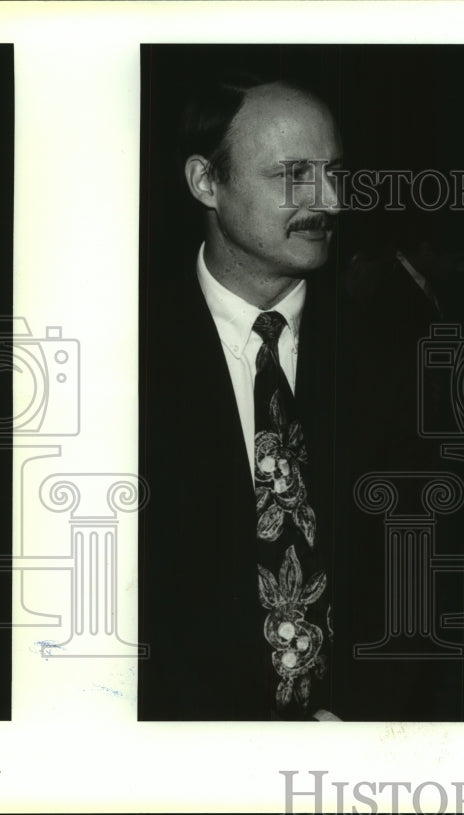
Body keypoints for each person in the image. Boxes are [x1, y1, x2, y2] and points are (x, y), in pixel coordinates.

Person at [140, 74, 347, 721]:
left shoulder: (399, 343)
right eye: (294, 175)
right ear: (206, 182)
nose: (330, 201)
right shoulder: (125, 350)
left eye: (335, 172)